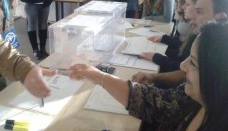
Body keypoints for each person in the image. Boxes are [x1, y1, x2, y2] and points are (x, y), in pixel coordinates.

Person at [69, 22, 228, 130]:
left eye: (193, 62)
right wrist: (97, 76)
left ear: (217, 77)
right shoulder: (193, 98)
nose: (182, 65)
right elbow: (153, 101)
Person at [132, 0, 228, 87]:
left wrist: (157, 59)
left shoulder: (217, 58)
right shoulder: (203, 41)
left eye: (199, 11)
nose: (193, 17)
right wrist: (154, 77)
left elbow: (181, 73)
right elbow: (183, 72)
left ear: (221, 19)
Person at [140, 0, 203, 73]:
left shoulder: (198, 34)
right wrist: (163, 40)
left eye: (187, 4)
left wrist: (157, 57)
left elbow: (181, 67)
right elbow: (182, 49)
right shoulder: (195, 29)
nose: (183, 7)